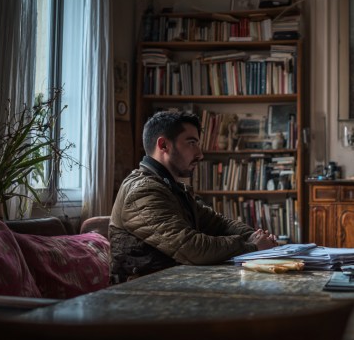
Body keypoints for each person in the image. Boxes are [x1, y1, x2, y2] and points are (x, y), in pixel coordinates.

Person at [109, 111, 277, 283]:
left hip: (172, 285)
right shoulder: (143, 191)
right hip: (141, 295)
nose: (200, 154)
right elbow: (192, 247)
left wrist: (254, 235)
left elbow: (218, 224)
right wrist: (253, 247)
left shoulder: (169, 187)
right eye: (191, 143)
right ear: (164, 145)